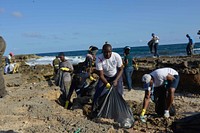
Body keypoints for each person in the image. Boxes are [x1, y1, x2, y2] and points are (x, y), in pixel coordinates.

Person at [92, 42, 124, 112]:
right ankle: (95, 109)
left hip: (116, 75)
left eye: (109, 52)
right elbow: (101, 75)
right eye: (105, 52)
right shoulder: (99, 59)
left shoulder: (116, 56)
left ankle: (119, 109)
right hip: (105, 77)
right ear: (103, 51)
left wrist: (116, 80)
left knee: (119, 93)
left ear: (111, 51)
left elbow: (121, 70)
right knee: (98, 93)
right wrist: (107, 84)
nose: (108, 54)